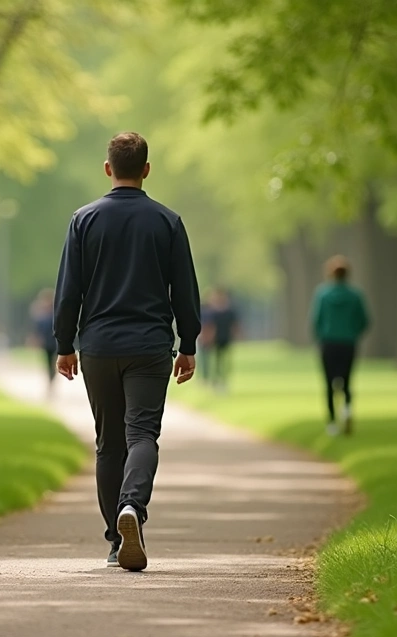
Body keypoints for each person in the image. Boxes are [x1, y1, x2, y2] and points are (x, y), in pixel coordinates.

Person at [53, 131, 201, 572]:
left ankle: (117, 542)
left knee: (108, 445)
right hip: (150, 345)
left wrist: (64, 344)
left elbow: (69, 292)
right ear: (147, 169)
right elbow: (185, 290)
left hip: (97, 345)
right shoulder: (167, 222)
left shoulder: (84, 219)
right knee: (142, 434)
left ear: (107, 168)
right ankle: (132, 507)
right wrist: (188, 343)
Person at [309, 256, 369, 437]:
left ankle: (332, 423)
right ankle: (348, 410)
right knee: (347, 381)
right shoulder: (355, 295)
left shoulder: (322, 294)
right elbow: (365, 320)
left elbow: (316, 320)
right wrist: (353, 332)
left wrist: (320, 336)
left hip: (328, 343)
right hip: (348, 342)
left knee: (328, 383)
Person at [200, 287, 240, 392]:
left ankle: (221, 380)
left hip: (224, 339)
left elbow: (234, 326)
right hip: (213, 340)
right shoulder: (210, 312)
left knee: (223, 361)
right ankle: (211, 380)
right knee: (210, 361)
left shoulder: (229, 312)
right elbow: (208, 326)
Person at [28, 289, 58, 399]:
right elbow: (37, 330)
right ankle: (50, 382)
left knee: (54, 364)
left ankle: (52, 381)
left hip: (55, 342)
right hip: (46, 343)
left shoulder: (56, 313)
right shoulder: (41, 316)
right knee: (48, 364)